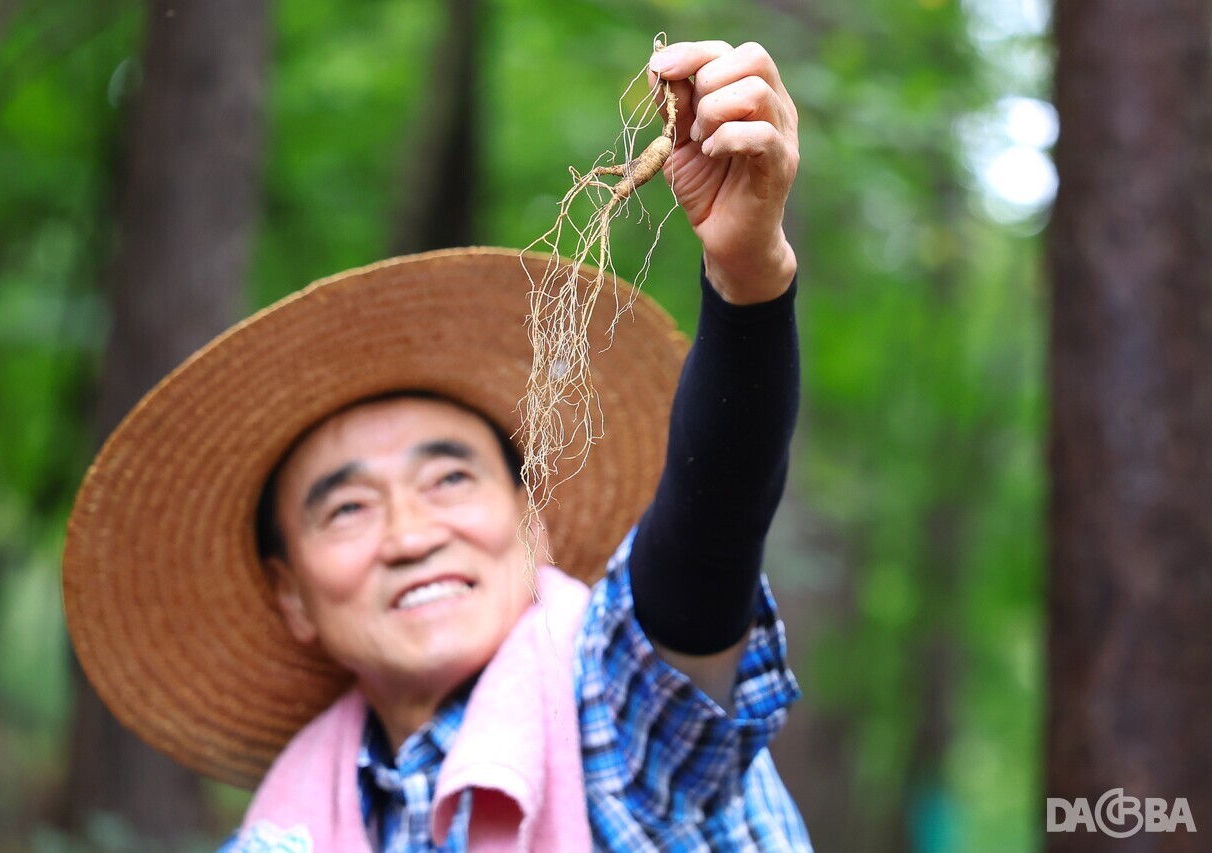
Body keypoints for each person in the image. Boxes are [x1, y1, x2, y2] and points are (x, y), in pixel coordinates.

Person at [63, 39, 811, 851]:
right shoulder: (295, 823)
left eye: (450, 479)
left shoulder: (605, 706)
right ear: (290, 594)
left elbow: (707, 547)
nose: (412, 535)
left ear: (535, 520)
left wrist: (749, 281)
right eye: (347, 507)